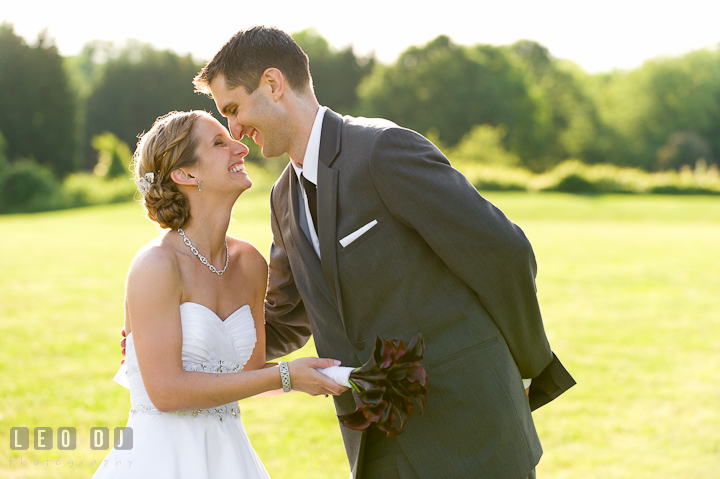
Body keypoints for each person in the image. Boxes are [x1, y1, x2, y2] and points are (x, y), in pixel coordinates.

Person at [192, 26, 578, 479]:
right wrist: (187, 344)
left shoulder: (381, 150)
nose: (234, 130)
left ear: (273, 85)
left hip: (471, 428)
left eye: (233, 109)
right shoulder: (282, 200)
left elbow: (503, 252)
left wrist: (530, 367)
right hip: (375, 445)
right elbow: (285, 316)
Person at [96, 110, 346, 479]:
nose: (240, 147)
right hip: (161, 458)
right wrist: (286, 376)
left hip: (230, 457)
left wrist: (328, 376)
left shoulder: (249, 263)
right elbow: (165, 393)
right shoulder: (156, 265)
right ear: (186, 174)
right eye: (219, 143)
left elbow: (247, 376)